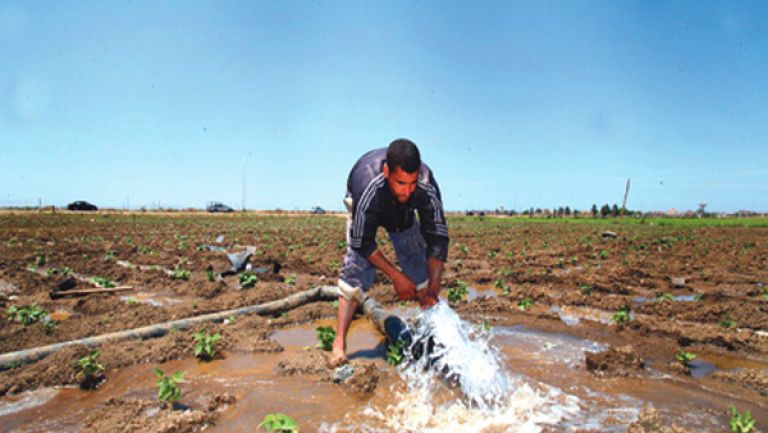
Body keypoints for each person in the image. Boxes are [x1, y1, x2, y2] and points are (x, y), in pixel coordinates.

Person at [331, 138, 449, 366]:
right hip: (366, 204)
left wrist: (433, 287)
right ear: (386, 171)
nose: (407, 190)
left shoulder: (425, 186)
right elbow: (362, 242)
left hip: (401, 215)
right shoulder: (367, 184)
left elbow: (437, 237)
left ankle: (432, 340)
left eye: (412, 183)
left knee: (419, 267)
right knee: (355, 272)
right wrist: (396, 277)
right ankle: (339, 344)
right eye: (401, 183)